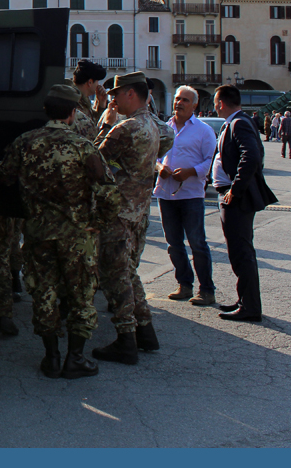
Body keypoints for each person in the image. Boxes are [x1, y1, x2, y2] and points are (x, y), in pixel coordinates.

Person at [0, 85, 122, 379]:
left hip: (38, 234)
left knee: (44, 293)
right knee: (80, 297)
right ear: (72, 113)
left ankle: (51, 358)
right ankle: (75, 358)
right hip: (78, 236)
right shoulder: (82, 147)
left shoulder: (25, 142)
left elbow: (2, 176)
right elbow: (109, 192)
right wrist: (99, 223)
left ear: (46, 111)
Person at [91, 71, 172, 365]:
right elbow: (165, 144)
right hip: (138, 210)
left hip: (117, 211)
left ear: (130, 94)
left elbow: (93, 162)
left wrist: (106, 125)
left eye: (115, 95)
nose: (113, 101)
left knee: (116, 274)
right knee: (128, 270)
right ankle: (146, 330)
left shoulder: (125, 128)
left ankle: (126, 338)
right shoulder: (154, 125)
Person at [211, 85, 278, 323]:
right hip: (230, 196)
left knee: (242, 253)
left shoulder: (238, 123)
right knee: (238, 252)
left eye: (215, 102)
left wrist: (235, 190)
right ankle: (245, 300)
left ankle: (250, 307)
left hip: (236, 199)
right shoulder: (237, 121)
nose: (214, 106)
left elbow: (252, 155)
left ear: (221, 103)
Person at [153, 86, 218, 306]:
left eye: (185, 100)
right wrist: (159, 167)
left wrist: (190, 172)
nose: (179, 103)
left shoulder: (204, 130)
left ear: (194, 105)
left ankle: (207, 290)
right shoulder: (164, 128)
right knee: (173, 243)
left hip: (191, 195)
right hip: (166, 193)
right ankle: (184, 284)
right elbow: (154, 155)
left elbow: (209, 161)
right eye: (178, 99)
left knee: (197, 243)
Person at [69, 59, 109, 142]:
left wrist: (101, 105)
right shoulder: (73, 100)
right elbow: (91, 133)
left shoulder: (83, 100)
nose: (98, 85)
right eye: (97, 81)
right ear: (90, 82)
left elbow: (92, 123)